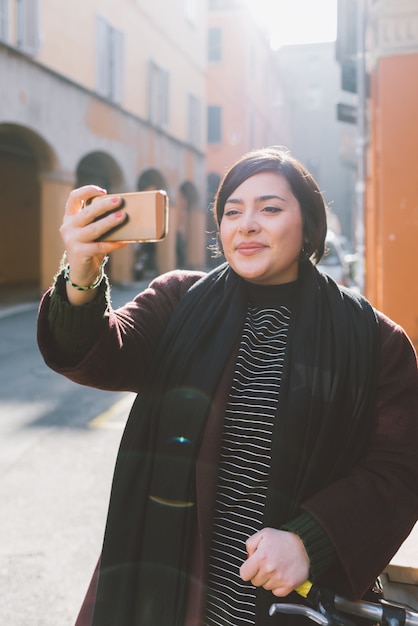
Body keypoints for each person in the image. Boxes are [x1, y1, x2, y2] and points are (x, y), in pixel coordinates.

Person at [37, 146, 418, 626]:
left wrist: (310, 539)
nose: (247, 224)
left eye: (271, 209)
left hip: (289, 596)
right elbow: (96, 354)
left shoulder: (373, 340)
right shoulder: (179, 300)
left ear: (309, 226)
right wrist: (83, 271)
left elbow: (400, 467)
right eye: (233, 211)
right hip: (173, 586)